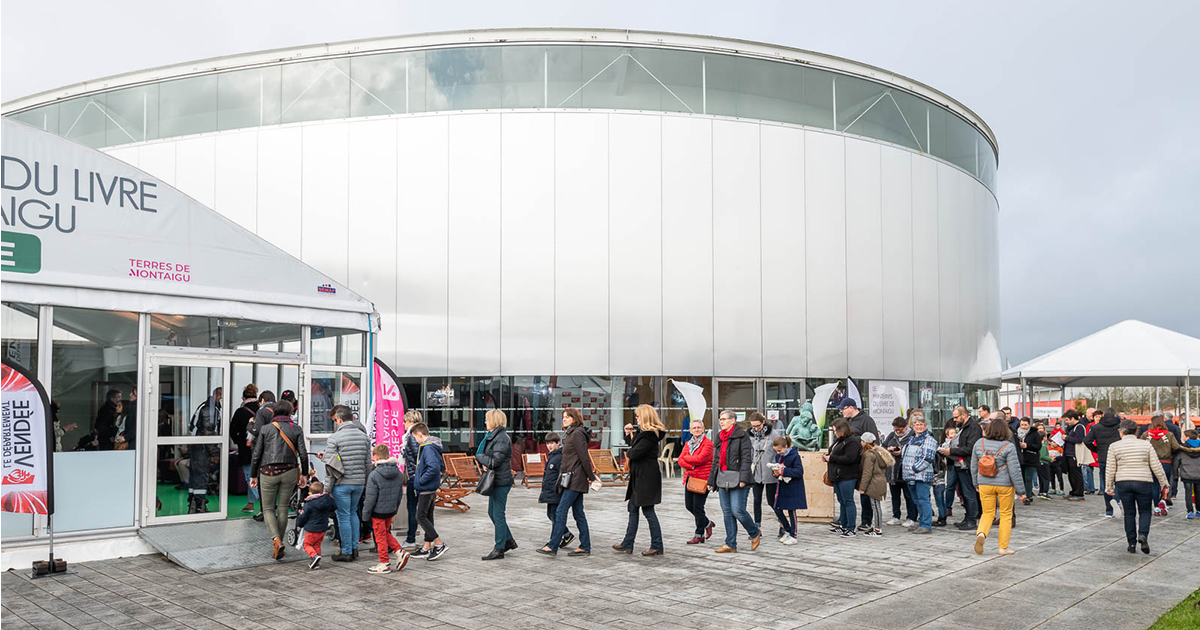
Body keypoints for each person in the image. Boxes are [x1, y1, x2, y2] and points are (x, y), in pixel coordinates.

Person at [249, 400, 308, 559]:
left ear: (274, 412)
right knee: (283, 507)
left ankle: (276, 540)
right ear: (290, 413)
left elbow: (257, 454)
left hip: (267, 471)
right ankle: (279, 542)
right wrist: (304, 474)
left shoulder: (265, 429)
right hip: (289, 471)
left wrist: (253, 475)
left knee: (268, 508)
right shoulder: (296, 429)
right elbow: (303, 453)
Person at [538, 407, 597, 557]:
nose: (564, 419)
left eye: (567, 417)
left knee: (560, 510)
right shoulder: (571, 433)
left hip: (575, 479)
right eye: (563, 417)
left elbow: (584, 457)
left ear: (575, 419)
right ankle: (585, 546)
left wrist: (591, 476)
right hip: (572, 478)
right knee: (578, 513)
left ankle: (553, 546)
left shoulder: (577, 434)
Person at [1106, 419, 1169, 554]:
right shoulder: (1146, 445)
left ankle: (1132, 544)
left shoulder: (1114, 446)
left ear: (1121, 432)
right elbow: (1156, 465)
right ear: (1137, 431)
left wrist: (1109, 486)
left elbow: (1111, 468)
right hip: (1143, 481)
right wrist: (1164, 483)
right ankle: (1143, 535)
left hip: (1123, 482)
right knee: (1145, 511)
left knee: (1129, 513)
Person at [615, 404, 666, 556]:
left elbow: (634, 452)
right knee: (633, 508)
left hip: (646, 477)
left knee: (648, 510)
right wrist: (628, 434)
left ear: (644, 417)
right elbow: (633, 445)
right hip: (640, 476)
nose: (636, 418)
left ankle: (657, 545)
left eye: (638, 416)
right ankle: (627, 543)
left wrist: (630, 451)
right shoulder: (643, 433)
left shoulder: (650, 435)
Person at [709, 410, 763, 551]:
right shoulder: (720, 436)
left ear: (733, 420)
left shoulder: (742, 435)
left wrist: (743, 478)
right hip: (722, 478)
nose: (721, 421)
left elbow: (746, 458)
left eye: (725, 419)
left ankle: (754, 532)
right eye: (720, 419)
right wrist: (711, 481)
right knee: (727, 512)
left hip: (738, 478)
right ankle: (730, 544)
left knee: (738, 510)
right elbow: (716, 460)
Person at [322, 405, 371, 561]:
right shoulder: (365, 437)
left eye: (336, 420)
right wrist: (365, 482)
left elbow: (330, 466)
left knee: (343, 516)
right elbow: (368, 464)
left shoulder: (335, 438)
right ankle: (355, 549)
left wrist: (327, 488)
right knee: (353, 513)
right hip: (358, 483)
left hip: (341, 484)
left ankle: (347, 551)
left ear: (340, 419)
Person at [971, 419, 1026, 555]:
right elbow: (1015, 470)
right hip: (1005, 485)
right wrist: (1021, 491)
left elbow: (973, 466)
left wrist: (975, 483)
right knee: (1006, 515)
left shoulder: (979, 444)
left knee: (987, 513)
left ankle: (982, 534)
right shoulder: (1009, 446)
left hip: (984, 483)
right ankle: (1003, 547)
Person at [362, 444, 411, 574]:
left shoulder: (374, 475)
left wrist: (365, 515)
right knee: (385, 533)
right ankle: (399, 551)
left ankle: (384, 563)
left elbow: (370, 498)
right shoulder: (398, 473)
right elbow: (399, 494)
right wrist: (395, 508)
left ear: (376, 457)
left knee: (380, 537)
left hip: (378, 511)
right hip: (390, 510)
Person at [476, 409, 516, 560]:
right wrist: (483, 458)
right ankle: (508, 540)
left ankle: (499, 548)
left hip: (501, 481)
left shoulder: (501, 438)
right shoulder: (493, 436)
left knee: (498, 514)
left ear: (493, 420)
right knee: (492, 512)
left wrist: (482, 458)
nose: (485, 422)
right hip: (496, 480)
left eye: (487, 419)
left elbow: (494, 462)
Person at [1142, 414, 1200, 515]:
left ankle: (1156, 507)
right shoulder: (1169, 435)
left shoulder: (1146, 435)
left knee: (1154, 485)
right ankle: (1163, 501)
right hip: (1166, 462)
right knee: (1165, 484)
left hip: (1150, 463)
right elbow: (1176, 447)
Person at [837, 398, 877, 532]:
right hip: (850, 462)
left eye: (842, 409)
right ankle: (844, 519)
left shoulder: (866, 420)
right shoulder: (847, 421)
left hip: (863, 460)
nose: (841, 411)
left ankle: (866, 520)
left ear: (851, 407)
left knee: (864, 490)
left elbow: (874, 441)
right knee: (845, 493)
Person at [410, 422, 448, 561]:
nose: (415, 440)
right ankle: (426, 547)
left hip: (426, 488)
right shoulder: (432, 447)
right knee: (428, 517)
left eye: (415, 438)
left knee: (420, 516)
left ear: (420, 434)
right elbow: (440, 465)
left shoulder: (428, 448)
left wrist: (420, 481)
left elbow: (433, 467)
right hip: (429, 488)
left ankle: (439, 544)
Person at [943, 405, 982, 530]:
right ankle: (968, 517)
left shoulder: (973, 427)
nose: (954, 420)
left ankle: (972, 519)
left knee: (969, 492)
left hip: (968, 465)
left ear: (963, 415)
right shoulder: (962, 427)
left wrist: (951, 451)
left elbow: (971, 448)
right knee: (964, 493)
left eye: (956, 417)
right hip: (959, 465)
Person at [677, 419, 715, 544]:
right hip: (690, 478)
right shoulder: (688, 443)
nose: (697, 430)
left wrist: (688, 460)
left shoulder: (708, 444)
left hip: (702, 479)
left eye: (699, 427)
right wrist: (691, 464)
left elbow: (700, 459)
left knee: (698, 507)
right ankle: (707, 523)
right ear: (690, 430)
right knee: (689, 506)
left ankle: (699, 535)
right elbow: (680, 460)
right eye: (694, 428)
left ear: (703, 429)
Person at [823, 417, 862, 538]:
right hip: (837, 475)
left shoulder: (853, 441)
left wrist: (832, 458)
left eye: (835, 430)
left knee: (848, 501)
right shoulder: (839, 440)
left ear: (842, 430)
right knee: (842, 501)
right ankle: (843, 524)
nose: (834, 433)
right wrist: (827, 456)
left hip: (847, 476)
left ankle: (851, 527)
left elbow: (850, 458)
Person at [901, 411, 938, 534]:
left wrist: (915, 468)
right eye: (916, 424)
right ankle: (921, 522)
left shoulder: (929, 439)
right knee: (916, 500)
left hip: (921, 475)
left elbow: (927, 458)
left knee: (923, 500)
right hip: (911, 476)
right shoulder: (912, 439)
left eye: (921, 424)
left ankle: (926, 525)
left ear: (925, 426)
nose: (919, 426)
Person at [538, 433, 575, 548]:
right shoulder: (552, 455)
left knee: (555, 516)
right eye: (548, 443)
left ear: (558, 443)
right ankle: (566, 534)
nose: (549, 446)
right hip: (549, 491)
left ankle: (554, 540)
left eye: (552, 443)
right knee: (551, 514)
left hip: (555, 491)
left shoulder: (559, 456)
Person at [228, 384, 260, 514]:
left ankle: (260, 499)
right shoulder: (261, 410)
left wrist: (239, 441)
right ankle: (250, 503)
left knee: (249, 475)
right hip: (262, 447)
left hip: (246, 449)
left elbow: (232, 430)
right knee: (261, 475)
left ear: (244, 397)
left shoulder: (240, 411)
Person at [1085, 408, 1123, 517]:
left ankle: (1109, 511)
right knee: (1119, 481)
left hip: (1103, 457)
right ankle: (1116, 499)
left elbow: (1086, 441)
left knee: (1107, 483)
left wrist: (1096, 449)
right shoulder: (1120, 427)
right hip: (1118, 457)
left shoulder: (1096, 427)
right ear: (1115, 416)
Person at [771, 436, 806, 544]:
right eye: (776, 451)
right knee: (777, 508)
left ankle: (793, 535)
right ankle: (787, 529)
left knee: (791, 510)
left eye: (780, 450)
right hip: (782, 487)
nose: (778, 453)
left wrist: (783, 472)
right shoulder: (778, 456)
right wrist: (775, 473)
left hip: (794, 487)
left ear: (786, 447)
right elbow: (777, 471)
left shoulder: (794, 456)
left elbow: (799, 471)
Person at [881, 416, 916, 527]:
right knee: (894, 495)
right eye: (895, 429)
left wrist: (902, 451)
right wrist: (889, 450)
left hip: (907, 470)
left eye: (900, 429)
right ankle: (896, 516)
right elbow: (883, 447)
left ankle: (911, 517)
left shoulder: (913, 436)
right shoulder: (892, 435)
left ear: (905, 426)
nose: (898, 432)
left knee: (909, 495)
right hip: (893, 471)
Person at [747, 412, 779, 531]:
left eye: (758, 426)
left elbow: (778, 451)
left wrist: (776, 466)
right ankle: (757, 526)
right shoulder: (750, 435)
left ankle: (782, 523)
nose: (755, 428)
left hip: (770, 471)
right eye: (753, 426)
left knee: (772, 501)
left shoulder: (773, 434)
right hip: (755, 472)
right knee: (756, 500)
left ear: (763, 422)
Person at [858, 432, 893, 538]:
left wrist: (862, 487)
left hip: (874, 483)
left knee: (876, 506)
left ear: (865, 442)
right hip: (879, 481)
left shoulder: (869, 455)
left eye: (862, 441)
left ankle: (878, 529)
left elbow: (867, 473)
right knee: (876, 506)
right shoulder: (878, 453)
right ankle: (877, 527)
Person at [295, 480, 336, 570]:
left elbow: (303, 516)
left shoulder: (309, 504)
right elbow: (333, 507)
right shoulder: (326, 500)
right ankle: (316, 562)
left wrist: (299, 524)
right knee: (317, 544)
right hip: (323, 528)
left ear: (310, 492)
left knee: (307, 544)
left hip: (312, 528)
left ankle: (314, 556)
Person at [401, 410, 422, 548]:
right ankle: (429, 538)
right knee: (422, 509)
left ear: (411, 422)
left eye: (405, 421)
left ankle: (411, 539)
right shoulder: (420, 434)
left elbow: (417, 456)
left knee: (412, 508)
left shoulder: (412, 436)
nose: (403, 423)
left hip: (414, 477)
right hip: (418, 476)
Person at [1061, 410, 1087, 501]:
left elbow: (1079, 439)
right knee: (1071, 473)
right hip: (1068, 452)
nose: (1066, 422)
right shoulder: (1070, 427)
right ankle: (1074, 490)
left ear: (1073, 418)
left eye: (1067, 419)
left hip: (1074, 453)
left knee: (1076, 473)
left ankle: (1079, 492)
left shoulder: (1079, 427)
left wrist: (1067, 438)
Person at [1015, 418, 1041, 507]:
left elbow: (1038, 446)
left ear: (1029, 425)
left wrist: (1027, 445)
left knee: (1028, 478)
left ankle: (1028, 495)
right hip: (1020, 458)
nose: (1023, 427)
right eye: (1022, 425)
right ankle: (1022, 494)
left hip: (1031, 459)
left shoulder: (1034, 433)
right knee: (1021, 478)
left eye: (1025, 425)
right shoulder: (1016, 433)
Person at [938, 425, 959, 525]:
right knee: (950, 486)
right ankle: (948, 507)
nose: (953, 435)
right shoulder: (945, 443)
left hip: (960, 464)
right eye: (951, 433)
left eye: (955, 433)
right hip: (951, 465)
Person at [1178, 429, 1200, 519]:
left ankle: (1190, 511)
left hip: (1186, 473)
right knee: (1198, 492)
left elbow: (1177, 461)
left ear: (1187, 437)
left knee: (1188, 492)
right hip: (1199, 474)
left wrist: (1175, 474)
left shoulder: (1182, 449)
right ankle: (1199, 510)